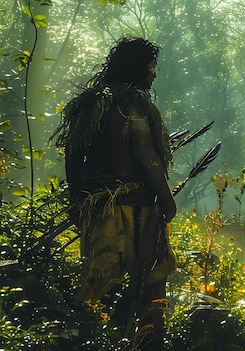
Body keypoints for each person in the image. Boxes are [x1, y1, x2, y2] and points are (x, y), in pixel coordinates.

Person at [53, 36, 176, 351]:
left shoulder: (90, 105)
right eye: (151, 66)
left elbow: (72, 156)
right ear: (138, 67)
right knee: (151, 283)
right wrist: (167, 197)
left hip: (100, 213)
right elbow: (146, 156)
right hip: (135, 213)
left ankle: (100, 341)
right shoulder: (131, 105)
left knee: (101, 288)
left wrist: (78, 201)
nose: (154, 74)